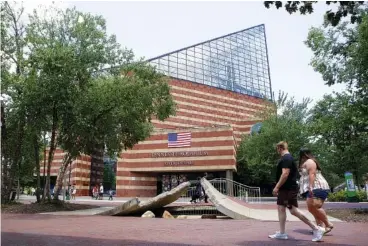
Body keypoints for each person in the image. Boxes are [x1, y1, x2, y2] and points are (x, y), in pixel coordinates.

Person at [268, 141, 325, 242]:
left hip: (288, 189)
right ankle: (282, 233)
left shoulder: (286, 158)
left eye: (277, 149)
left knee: (293, 210)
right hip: (285, 189)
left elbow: (285, 174)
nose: (277, 152)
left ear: (280, 148)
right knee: (281, 208)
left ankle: (316, 228)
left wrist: (277, 187)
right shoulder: (287, 158)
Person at [299, 147, 334, 234]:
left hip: (317, 186)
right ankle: (320, 228)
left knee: (313, 207)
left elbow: (312, 174)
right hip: (313, 188)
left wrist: (310, 186)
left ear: (303, 154)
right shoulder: (306, 162)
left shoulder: (310, 162)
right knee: (313, 208)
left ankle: (328, 224)